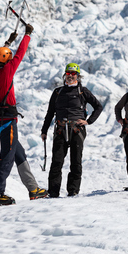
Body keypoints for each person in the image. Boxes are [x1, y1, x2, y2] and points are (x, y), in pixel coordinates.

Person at [0, 25, 48, 207]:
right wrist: (27, 35)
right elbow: (19, 55)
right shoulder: (7, 71)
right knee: (6, 157)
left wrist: (8, 42)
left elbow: (2, 57)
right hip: (7, 122)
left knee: (19, 154)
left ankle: (33, 189)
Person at [41, 63, 103, 197]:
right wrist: (44, 130)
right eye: (68, 74)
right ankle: (53, 192)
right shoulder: (58, 92)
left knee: (76, 161)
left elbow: (98, 107)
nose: (70, 76)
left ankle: (73, 191)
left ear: (78, 76)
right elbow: (50, 112)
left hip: (77, 130)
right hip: (60, 130)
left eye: (73, 74)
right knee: (57, 161)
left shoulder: (83, 91)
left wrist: (88, 121)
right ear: (64, 75)